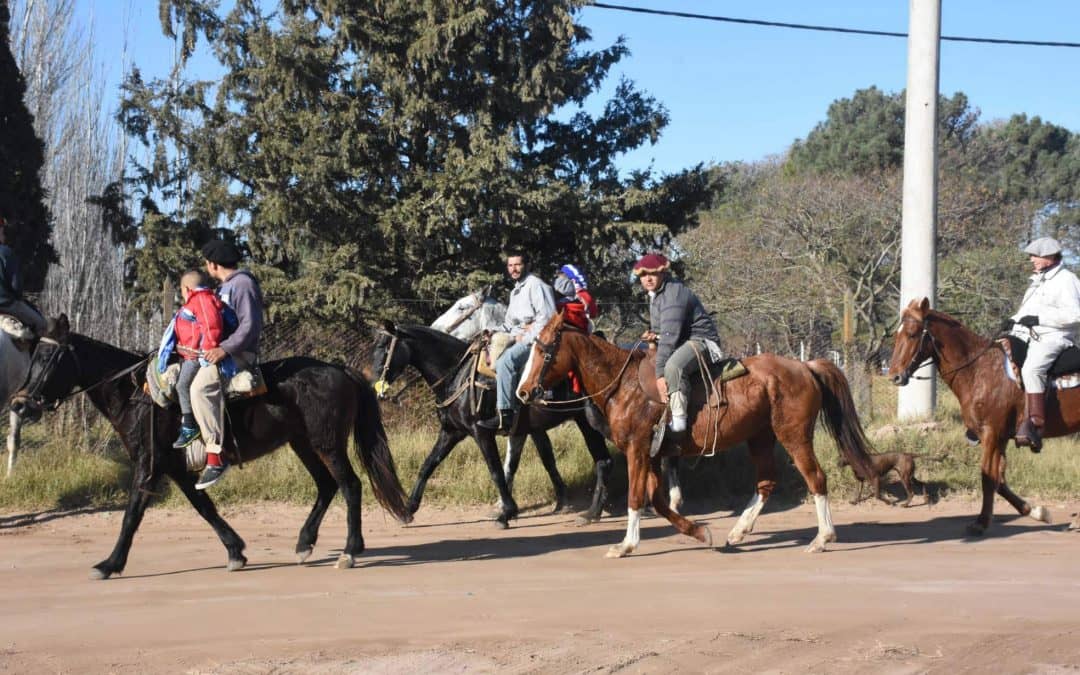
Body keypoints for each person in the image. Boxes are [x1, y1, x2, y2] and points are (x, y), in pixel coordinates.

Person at [192, 239, 265, 489]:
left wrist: (223, 349)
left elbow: (250, 326)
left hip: (239, 354)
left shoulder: (242, 284)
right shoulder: (225, 287)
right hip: (223, 352)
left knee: (200, 388)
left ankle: (215, 456)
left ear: (213, 264)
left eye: (206, 264)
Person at [1003, 236, 1080, 452]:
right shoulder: (1038, 280)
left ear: (1049, 256)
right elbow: (1026, 313)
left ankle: (1036, 425)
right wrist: (1013, 320)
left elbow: (1075, 314)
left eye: (1035, 255)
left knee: (1032, 369)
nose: (1031, 259)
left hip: (1055, 337)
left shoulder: (1067, 280)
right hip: (1031, 335)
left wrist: (1040, 319)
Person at [634, 252, 721, 436]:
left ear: (662, 273)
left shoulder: (673, 293)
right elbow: (662, 333)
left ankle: (679, 422)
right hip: (681, 341)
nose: (647, 278)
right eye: (643, 275)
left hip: (701, 340)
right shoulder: (656, 296)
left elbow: (669, 337)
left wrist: (659, 376)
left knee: (673, 367)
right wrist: (652, 337)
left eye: (652, 273)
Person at [477, 250, 556, 433]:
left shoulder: (536, 286)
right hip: (519, 336)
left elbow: (548, 319)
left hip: (537, 341)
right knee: (486, 355)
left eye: (517, 265)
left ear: (527, 265)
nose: (513, 269)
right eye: (510, 265)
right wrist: (492, 331)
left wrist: (525, 337)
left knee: (506, 362)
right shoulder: (515, 292)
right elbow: (509, 324)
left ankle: (505, 416)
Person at [170, 270, 227, 449]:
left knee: (182, 385)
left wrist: (207, 352)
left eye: (180, 291)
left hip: (197, 357)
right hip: (190, 354)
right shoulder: (199, 300)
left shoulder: (200, 300)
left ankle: (189, 425)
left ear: (186, 288)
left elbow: (211, 327)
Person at [0, 216, 46, 336]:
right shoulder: (6, 253)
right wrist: (18, 295)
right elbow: (16, 286)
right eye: (2, 229)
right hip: (6, 305)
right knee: (42, 324)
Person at [553, 263, 598, 332]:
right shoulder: (585, 295)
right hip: (581, 329)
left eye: (560, 275)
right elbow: (593, 313)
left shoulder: (554, 296)